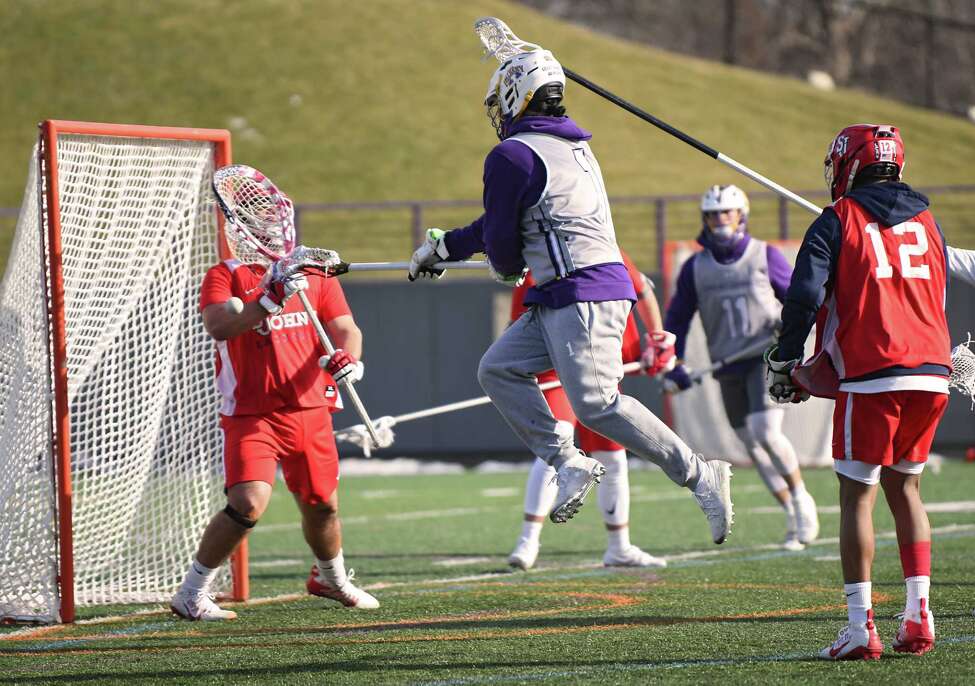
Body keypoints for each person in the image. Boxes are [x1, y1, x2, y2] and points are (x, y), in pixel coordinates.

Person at [408, 47, 733, 544]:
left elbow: (502, 245)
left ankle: (698, 473)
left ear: (520, 94)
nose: (499, 111)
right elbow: (508, 227)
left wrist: (481, 259)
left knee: (598, 404)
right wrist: (444, 247)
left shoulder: (512, 154)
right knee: (499, 368)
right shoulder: (572, 147)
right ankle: (567, 461)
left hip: (580, 292)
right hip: (569, 291)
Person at [767, 124, 949, 659]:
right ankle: (920, 617)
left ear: (851, 164)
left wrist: (787, 358)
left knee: (857, 497)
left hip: (874, 373)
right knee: (907, 491)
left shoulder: (837, 220)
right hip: (932, 371)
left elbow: (805, 294)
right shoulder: (928, 220)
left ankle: (859, 627)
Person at [170, 195, 379, 620]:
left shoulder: (314, 274)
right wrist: (268, 300)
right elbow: (219, 325)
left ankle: (330, 579)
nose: (272, 231)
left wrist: (349, 361)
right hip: (252, 411)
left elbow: (345, 327)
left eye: (276, 221)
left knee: (322, 503)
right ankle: (191, 592)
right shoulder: (226, 275)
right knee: (248, 501)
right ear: (242, 229)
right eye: (261, 224)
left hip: (309, 407)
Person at [663, 184, 819, 551]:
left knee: (764, 430)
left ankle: (801, 500)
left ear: (741, 215)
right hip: (726, 362)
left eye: (727, 212)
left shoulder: (764, 255)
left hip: (763, 356)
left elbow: (796, 298)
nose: (720, 219)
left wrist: (788, 325)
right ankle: (790, 513)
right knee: (750, 441)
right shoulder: (695, 268)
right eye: (714, 213)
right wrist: (674, 362)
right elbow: (678, 319)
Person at [508, 250, 676, 569]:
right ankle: (528, 539)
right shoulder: (540, 260)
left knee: (612, 457)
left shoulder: (609, 252)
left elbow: (643, 290)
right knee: (555, 445)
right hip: (555, 368)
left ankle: (619, 546)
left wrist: (656, 339)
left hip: (599, 367)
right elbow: (515, 325)